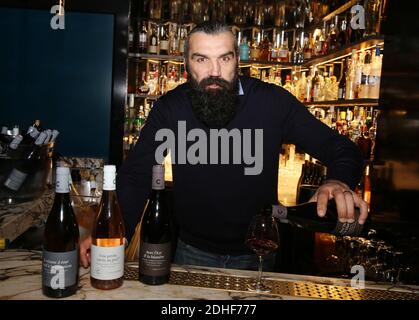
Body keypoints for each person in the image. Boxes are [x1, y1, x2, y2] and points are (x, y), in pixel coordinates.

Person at [79, 22, 368, 271]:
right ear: (186, 65)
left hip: (258, 251)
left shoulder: (273, 103)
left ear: (237, 62)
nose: (214, 71)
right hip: (191, 250)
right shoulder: (171, 108)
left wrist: (338, 179)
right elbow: (136, 175)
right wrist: (113, 233)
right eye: (201, 59)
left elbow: (340, 147)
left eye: (224, 59)